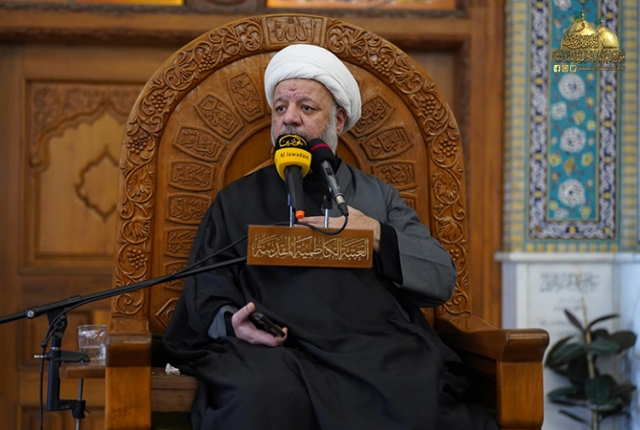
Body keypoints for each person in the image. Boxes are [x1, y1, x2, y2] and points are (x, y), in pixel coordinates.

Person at [163, 44, 498, 430]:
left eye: (306, 108)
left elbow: (440, 277)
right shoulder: (236, 201)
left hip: (369, 345)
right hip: (274, 350)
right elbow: (207, 291)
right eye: (280, 108)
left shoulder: (375, 197)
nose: (289, 118)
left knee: (408, 388)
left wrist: (374, 233)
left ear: (337, 121)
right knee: (261, 395)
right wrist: (232, 323)